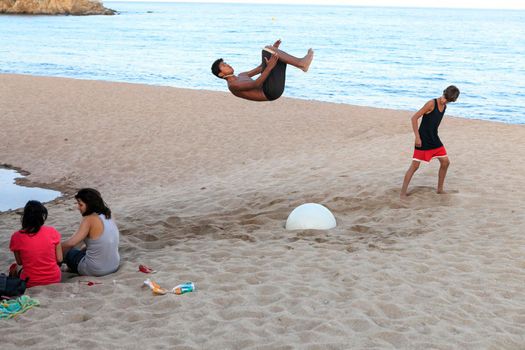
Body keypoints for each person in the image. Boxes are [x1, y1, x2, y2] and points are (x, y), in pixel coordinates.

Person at [400, 85, 460, 198]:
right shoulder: (431, 103)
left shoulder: (445, 107)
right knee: (415, 166)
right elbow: (414, 118)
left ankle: (440, 190)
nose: (445, 101)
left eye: (448, 101)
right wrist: (417, 137)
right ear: (444, 93)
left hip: (434, 139)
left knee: (445, 162)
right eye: (445, 98)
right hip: (422, 140)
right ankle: (403, 193)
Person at [211, 39, 314, 102]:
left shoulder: (241, 75)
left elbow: (260, 68)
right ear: (220, 74)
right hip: (270, 92)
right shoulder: (233, 86)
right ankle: (301, 63)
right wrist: (269, 66)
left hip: (270, 86)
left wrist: (274, 50)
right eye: (224, 65)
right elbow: (256, 84)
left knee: (270, 51)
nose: (228, 65)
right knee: (267, 50)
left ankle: (301, 65)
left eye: (226, 63)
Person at [62, 188, 120, 276]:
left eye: (80, 204)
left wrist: (56, 246)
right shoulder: (108, 215)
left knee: (68, 252)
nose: (78, 207)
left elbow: (71, 243)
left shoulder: (89, 219)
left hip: (95, 270)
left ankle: (66, 268)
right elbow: (99, 242)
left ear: (89, 204)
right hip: (114, 265)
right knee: (83, 250)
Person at [9, 200, 62, 288]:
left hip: (30, 282)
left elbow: (20, 262)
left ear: (25, 217)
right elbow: (59, 259)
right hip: (54, 278)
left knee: (14, 267)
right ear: (42, 216)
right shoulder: (52, 231)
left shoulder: (16, 236)